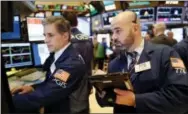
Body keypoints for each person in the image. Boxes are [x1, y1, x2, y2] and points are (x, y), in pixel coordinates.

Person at [96, 11, 188, 113]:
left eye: (118, 31)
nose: (113, 37)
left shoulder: (165, 54)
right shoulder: (114, 64)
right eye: (112, 32)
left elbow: (181, 97)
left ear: (135, 28)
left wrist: (136, 100)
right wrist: (101, 91)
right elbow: (107, 101)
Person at [11, 16, 87, 113]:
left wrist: (7, 102)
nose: (45, 40)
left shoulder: (71, 64)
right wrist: (33, 88)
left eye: (50, 35)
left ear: (65, 36)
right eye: (45, 35)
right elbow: (51, 83)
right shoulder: (59, 54)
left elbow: (46, 95)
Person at [63, 12, 93, 113]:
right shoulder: (87, 38)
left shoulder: (66, 40)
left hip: (71, 88)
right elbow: (89, 64)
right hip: (85, 83)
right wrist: (90, 85)